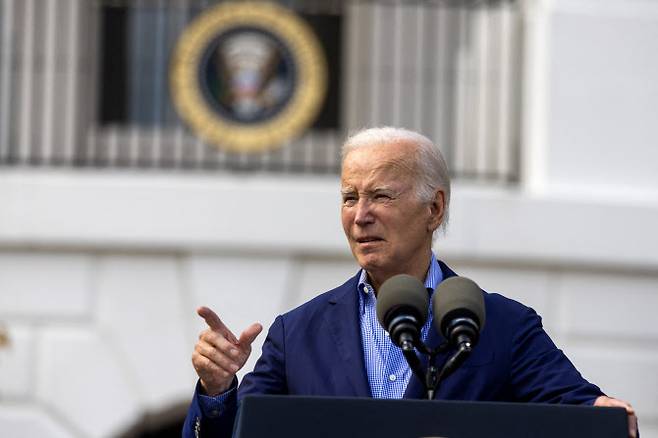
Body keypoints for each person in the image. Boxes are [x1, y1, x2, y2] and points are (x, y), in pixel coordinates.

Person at [183, 127, 638, 438]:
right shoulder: (296, 333)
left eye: (381, 195)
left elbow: (575, 406)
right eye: (349, 197)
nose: (361, 216)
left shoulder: (504, 324)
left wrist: (604, 414)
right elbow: (248, 430)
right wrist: (218, 390)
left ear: (434, 209)